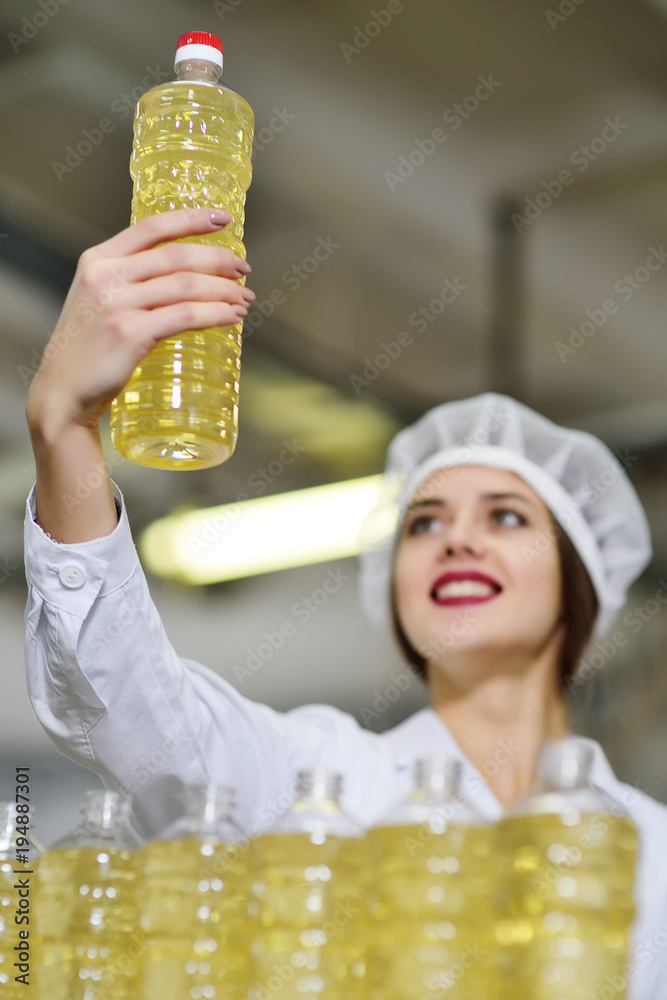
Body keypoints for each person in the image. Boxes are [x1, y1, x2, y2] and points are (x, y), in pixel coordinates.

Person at [24, 208, 667, 996]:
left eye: (504, 516)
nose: (454, 539)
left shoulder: (653, 851)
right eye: (423, 523)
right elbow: (128, 701)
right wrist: (65, 429)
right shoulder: (310, 783)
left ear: (581, 582)